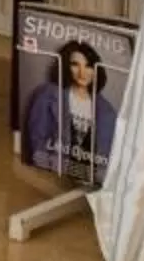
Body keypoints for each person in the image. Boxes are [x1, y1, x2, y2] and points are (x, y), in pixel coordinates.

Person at [23, 38, 118, 185]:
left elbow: (107, 158)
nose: (82, 72)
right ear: (66, 66)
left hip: (90, 186)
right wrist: (49, 177)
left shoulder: (108, 112)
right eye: (75, 64)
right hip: (52, 178)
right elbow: (37, 142)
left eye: (88, 66)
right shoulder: (47, 95)